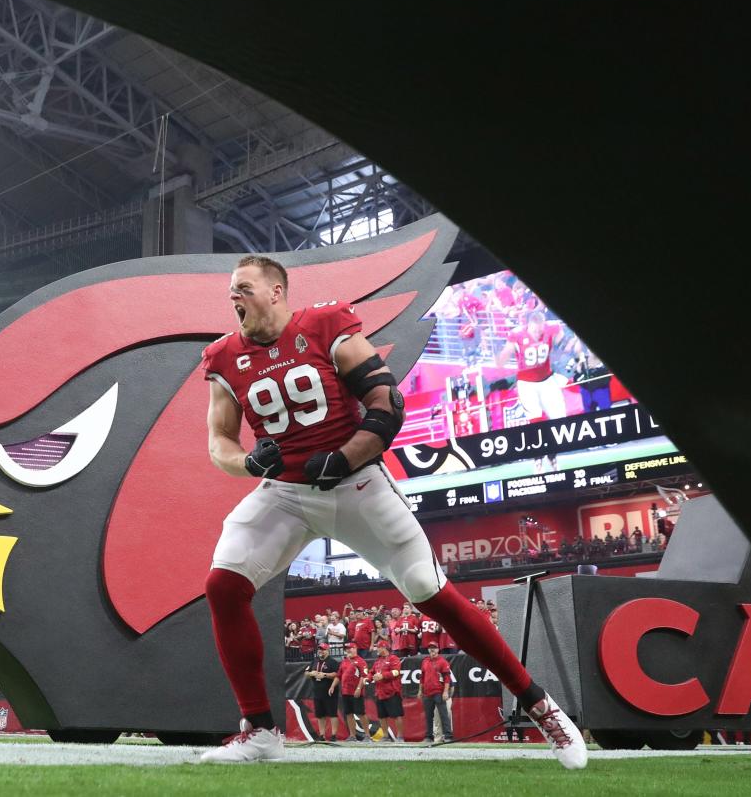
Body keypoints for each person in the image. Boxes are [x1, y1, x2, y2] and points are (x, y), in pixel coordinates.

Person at [198, 255, 586, 767]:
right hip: (286, 491)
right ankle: (261, 730)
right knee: (223, 584)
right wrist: (248, 462)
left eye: (244, 288)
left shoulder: (324, 325)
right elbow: (218, 443)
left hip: (356, 484)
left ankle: (540, 705)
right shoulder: (225, 356)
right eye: (231, 290)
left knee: (429, 591)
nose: (234, 298)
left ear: (275, 291)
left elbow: (387, 405)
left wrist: (342, 458)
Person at [496, 310, 576, 422]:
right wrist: (502, 356)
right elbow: (502, 360)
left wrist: (573, 341)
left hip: (547, 379)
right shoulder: (517, 335)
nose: (538, 334)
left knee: (560, 417)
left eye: (540, 331)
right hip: (527, 384)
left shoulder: (551, 328)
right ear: (528, 326)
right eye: (535, 331)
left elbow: (565, 347)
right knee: (535, 419)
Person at [327, 643, 370, 742]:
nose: (348, 650)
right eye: (347, 649)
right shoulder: (344, 662)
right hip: (345, 692)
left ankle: (367, 735)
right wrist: (332, 686)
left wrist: (359, 688)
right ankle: (352, 735)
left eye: (350, 648)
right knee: (349, 714)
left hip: (356, 692)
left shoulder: (361, 661)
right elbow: (339, 675)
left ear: (355, 648)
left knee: (361, 713)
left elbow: (364, 676)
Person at [303, 643, 341, 741]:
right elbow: (306, 673)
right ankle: (322, 735)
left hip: (329, 691)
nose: (320, 651)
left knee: (332, 714)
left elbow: (337, 674)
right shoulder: (315, 661)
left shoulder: (333, 662)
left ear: (327, 650)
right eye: (319, 649)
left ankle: (333, 735)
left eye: (323, 649)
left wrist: (324, 675)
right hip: (317, 691)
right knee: (320, 715)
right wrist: (312, 673)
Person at [370, 639, 404, 743]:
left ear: (384, 647)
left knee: (397, 715)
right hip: (380, 692)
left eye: (378, 647)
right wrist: (369, 677)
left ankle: (400, 736)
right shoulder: (377, 661)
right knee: (381, 716)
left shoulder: (393, 658)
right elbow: (371, 672)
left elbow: (396, 672)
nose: (377, 649)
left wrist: (382, 676)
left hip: (392, 691)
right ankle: (385, 736)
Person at [420, 642, 453, 745]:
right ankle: (429, 736)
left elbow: (447, 678)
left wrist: (445, 692)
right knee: (428, 716)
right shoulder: (425, 661)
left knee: (443, 714)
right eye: (430, 648)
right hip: (427, 692)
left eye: (434, 648)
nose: (432, 650)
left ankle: (448, 736)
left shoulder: (443, 662)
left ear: (438, 649)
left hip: (438, 692)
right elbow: (422, 677)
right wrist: (420, 691)